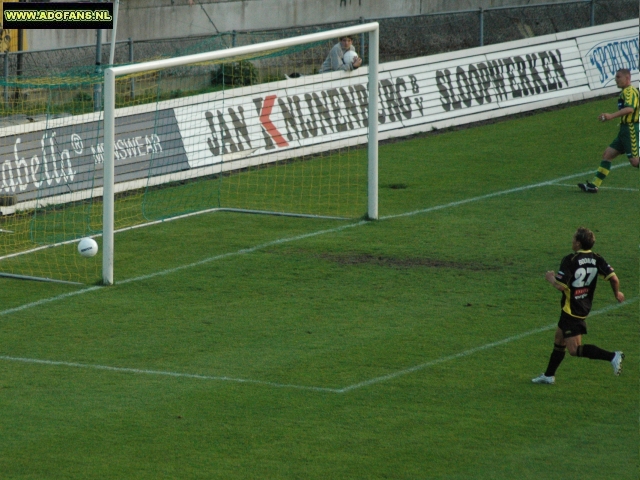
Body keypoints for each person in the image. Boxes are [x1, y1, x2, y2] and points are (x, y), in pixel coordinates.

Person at [532, 227, 625, 384]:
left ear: (578, 243)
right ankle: (548, 376)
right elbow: (614, 279)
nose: (572, 241)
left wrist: (551, 278)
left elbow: (561, 286)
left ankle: (613, 356)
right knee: (559, 339)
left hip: (572, 310)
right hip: (583, 305)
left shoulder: (570, 260)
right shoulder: (597, 258)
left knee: (574, 350)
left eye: (574, 239)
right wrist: (617, 294)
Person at [578, 68, 639, 193]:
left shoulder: (630, 92)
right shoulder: (625, 92)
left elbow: (629, 109)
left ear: (627, 78)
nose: (616, 80)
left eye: (618, 77)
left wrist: (611, 116)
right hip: (624, 130)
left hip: (630, 129)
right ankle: (594, 185)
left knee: (634, 161)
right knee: (607, 154)